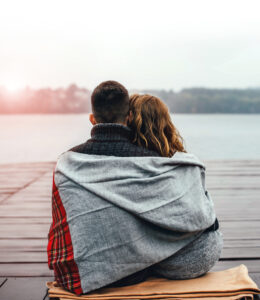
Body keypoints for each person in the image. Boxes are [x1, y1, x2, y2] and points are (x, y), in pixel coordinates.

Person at [47, 81, 223, 295]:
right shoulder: (154, 161)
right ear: (129, 117)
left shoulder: (66, 165)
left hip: (87, 272)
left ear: (92, 119)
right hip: (181, 259)